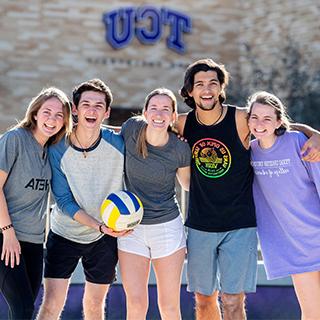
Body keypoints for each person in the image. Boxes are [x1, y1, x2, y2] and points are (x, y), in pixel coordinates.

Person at [175, 58, 320, 320]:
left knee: (232, 301)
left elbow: (275, 123)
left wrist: (314, 134)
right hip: (200, 223)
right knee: (204, 301)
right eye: (199, 84)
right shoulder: (182, 123)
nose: (207, 90)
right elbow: (148, 125)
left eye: (213, 83)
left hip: (240, 224)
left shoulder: (241, 118)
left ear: (221, 88)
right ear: (189, 91)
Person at [37, 79, 128, 320]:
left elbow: (148, 132)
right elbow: (64, 201)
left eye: (99, 105)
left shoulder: (119, 144)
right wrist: (98, 225)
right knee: (51, 305)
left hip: (103, 238)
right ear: (75, 109)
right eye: (86, 104)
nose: (92, 110)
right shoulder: (57, 148)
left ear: (107, 112)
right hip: (64, 233)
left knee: (94, 306)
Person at [116, 88, 191, 320]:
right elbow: (105, 135)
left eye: (165, 109)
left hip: (167, 227)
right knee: (136, 305)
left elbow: (188, 185)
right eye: (154, 108)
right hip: (130, 229)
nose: (159, 114)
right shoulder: (131, 129)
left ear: (173, 116)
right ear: (146, 113)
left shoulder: (180, 148)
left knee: (168, 307)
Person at [0, 87, 72, 320]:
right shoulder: (15, 139)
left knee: (25, 309)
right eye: (47, 112)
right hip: (6, 237)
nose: (52, 119)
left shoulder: (50, 149)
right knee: (21, 309)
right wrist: (7, 232)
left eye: (59, 115)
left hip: (32, 242)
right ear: (35, 113)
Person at [248, 91, 320, 320]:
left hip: (317, 234)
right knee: (311, 313)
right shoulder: (248, 152)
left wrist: (312, 133)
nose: (260, 124)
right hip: (294, 246)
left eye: (267, 118)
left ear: (279, 121)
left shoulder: (298, 141)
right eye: (254, 117)